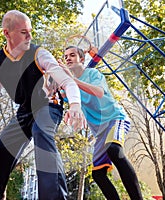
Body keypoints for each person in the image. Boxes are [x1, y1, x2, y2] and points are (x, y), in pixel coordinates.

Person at [0, 10, 85, 200]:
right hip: (24, 112)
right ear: (7, 33)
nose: (29, 36)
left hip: (48, 105)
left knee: (42, 133)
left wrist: (75, 105)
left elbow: (67, 82)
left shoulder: (39, 53)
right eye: (23, 32)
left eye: (30, 31)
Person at [59, 46, 143, 200]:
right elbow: (66, 98)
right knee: (97, 173)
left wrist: (72, 80)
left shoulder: (92, 74)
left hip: (115, 119)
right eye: (65, 57)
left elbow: (98, 92)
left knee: (114, 149)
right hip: (100, 132)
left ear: (82, 59)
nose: (68, 59)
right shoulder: (70, 85)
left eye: (72, 55)